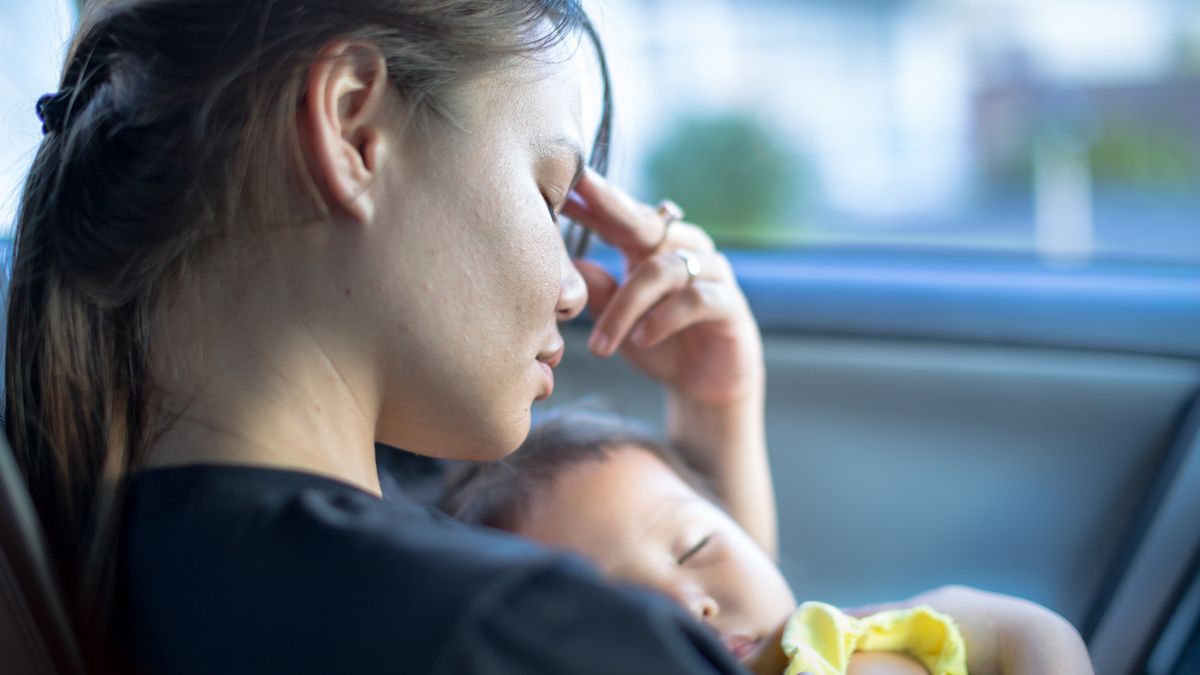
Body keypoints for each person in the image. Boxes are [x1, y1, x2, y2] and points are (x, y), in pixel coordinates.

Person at [3, 1, 1090, 673]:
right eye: (551, 191)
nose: (576, 285)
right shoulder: (510, 633)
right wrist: (1022, 641)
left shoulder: (158, 545)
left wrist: (715, 422)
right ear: (352, 129)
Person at [443, 411, 1089, 675]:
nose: (684, 604)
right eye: (618, 605)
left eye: (695, 546)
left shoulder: (844, 635)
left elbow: (1029, 631)